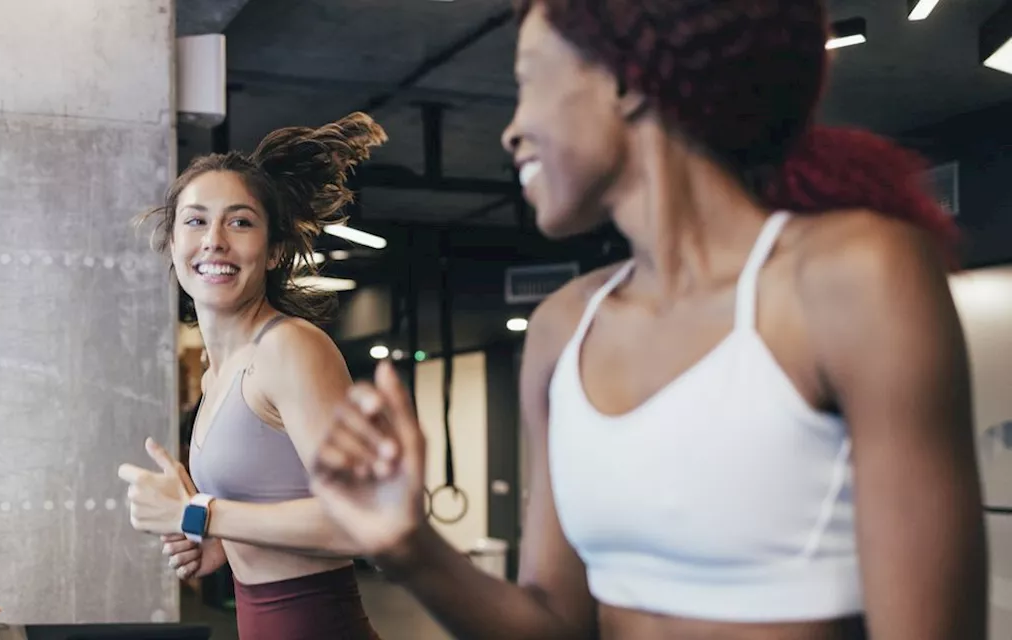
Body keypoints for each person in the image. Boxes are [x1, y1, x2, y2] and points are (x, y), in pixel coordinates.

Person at [307, 2, 989, 639]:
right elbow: (553, 622)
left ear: (625, 80)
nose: (511, 129)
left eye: (528, 81)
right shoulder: (562, 329)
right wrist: (409, 547)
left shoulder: (849, 277)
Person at [116, 113, 387, 640]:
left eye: (239, 222)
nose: (214, 239)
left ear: (275, 250)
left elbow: (364, 519)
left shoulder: (289, 348)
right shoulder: (217, 375)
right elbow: (264, 513)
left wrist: (200, 515)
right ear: (172, 244)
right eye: (195, 221)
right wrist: (218, 544)